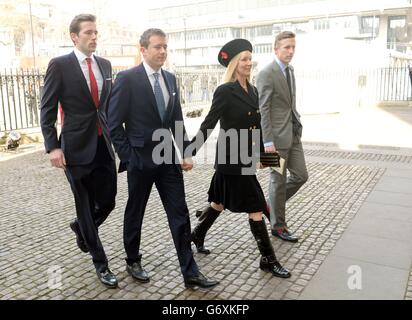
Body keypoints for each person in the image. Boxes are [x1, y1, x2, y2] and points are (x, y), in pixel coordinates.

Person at [107, 28, 218, 289]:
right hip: (140, 161)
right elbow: (114, 124)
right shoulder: (127, 78)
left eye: (165, 46)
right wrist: (130, 158)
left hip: (168, 160)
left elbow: (176, 121)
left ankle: (190, 271)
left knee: (179, 213)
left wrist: (186, 153)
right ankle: (133, 259)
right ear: (143, 49)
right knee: (136, 211)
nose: (163, 51)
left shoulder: (169, 79)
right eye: (157, 47)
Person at [189, 39, 290, 278]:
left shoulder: (253, 90)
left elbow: (257, 127)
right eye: (244, 59)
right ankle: (268, 258)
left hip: (245, 158)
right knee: (256, 207)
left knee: (219, 202)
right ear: (234, 64)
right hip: (231, 159)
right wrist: (190, 151)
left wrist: (267, 157)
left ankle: (196, 235)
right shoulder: (225, 91)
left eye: (250, 58)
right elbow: (209, 123)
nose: (249, 62)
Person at [40, 14, 118, 288]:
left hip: (102, 145)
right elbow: (47, 109)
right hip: (74, 148)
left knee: (108, 201)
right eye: (88, 33)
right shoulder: (60, 65)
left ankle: (82, 228)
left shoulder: (106, 65)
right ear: (74, 36)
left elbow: (105, 107)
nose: (94, 37)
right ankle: (101, 264)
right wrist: (53, 147)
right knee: (85, 206)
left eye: (96, 32)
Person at [256, 31, 308, 243]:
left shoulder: (290, 70)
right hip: (274, 140)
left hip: (293, 134)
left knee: (301, 175)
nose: (291, 51)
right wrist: (267, 142)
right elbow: (264, 109)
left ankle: (271, 206)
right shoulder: (266, 73)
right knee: (277, 181)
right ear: (275, 49)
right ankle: (278, 226)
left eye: (293, 47)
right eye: (286, 47)